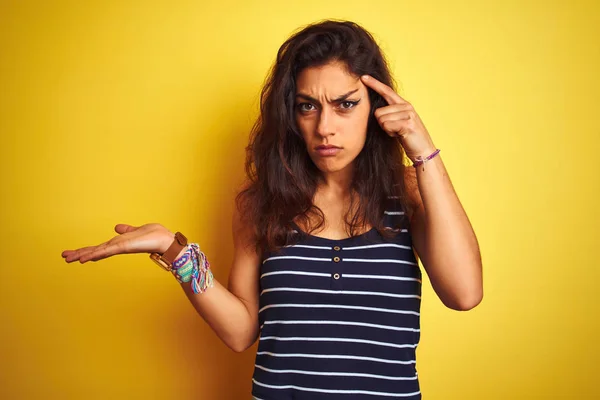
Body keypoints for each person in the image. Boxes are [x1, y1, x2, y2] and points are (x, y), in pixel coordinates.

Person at [62, 19, 482, 399]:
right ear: (290, 113)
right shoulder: (259, 202)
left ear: (377, 107)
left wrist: (422, 148)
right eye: (308, 106)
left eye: (346, 104)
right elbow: (242, 332)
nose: (325, 127)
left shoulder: (410, 190)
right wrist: (175, 252)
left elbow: (464, 293)